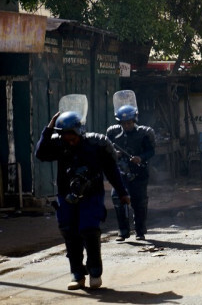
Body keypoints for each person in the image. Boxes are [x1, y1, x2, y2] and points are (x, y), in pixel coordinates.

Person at [35, 111, 130, 290]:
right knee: (69, 232)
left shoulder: (96, 144)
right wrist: (49, 128)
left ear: (79, 132)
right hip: (67, 194)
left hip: (92, 194)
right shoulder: (58, 144)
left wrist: (122, 192)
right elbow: (41, 154)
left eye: (72, 137)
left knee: (89, 230)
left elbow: (112, 170)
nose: (69, 141)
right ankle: (77, 275)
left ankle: (95, 272)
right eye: (66, 137)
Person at [107, 105, 156, 242]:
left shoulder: (143, 133)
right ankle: (123, 231)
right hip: (121, 172)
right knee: (118, 199)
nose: (127, 125)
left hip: (139, 173)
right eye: (124, 123)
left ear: (134, 120)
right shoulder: (113, 133)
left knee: (139, 202)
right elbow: (107, 148)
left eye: (129, 122)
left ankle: (140, 231)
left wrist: (140, 158)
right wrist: (114, 153)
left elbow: (151, 151)